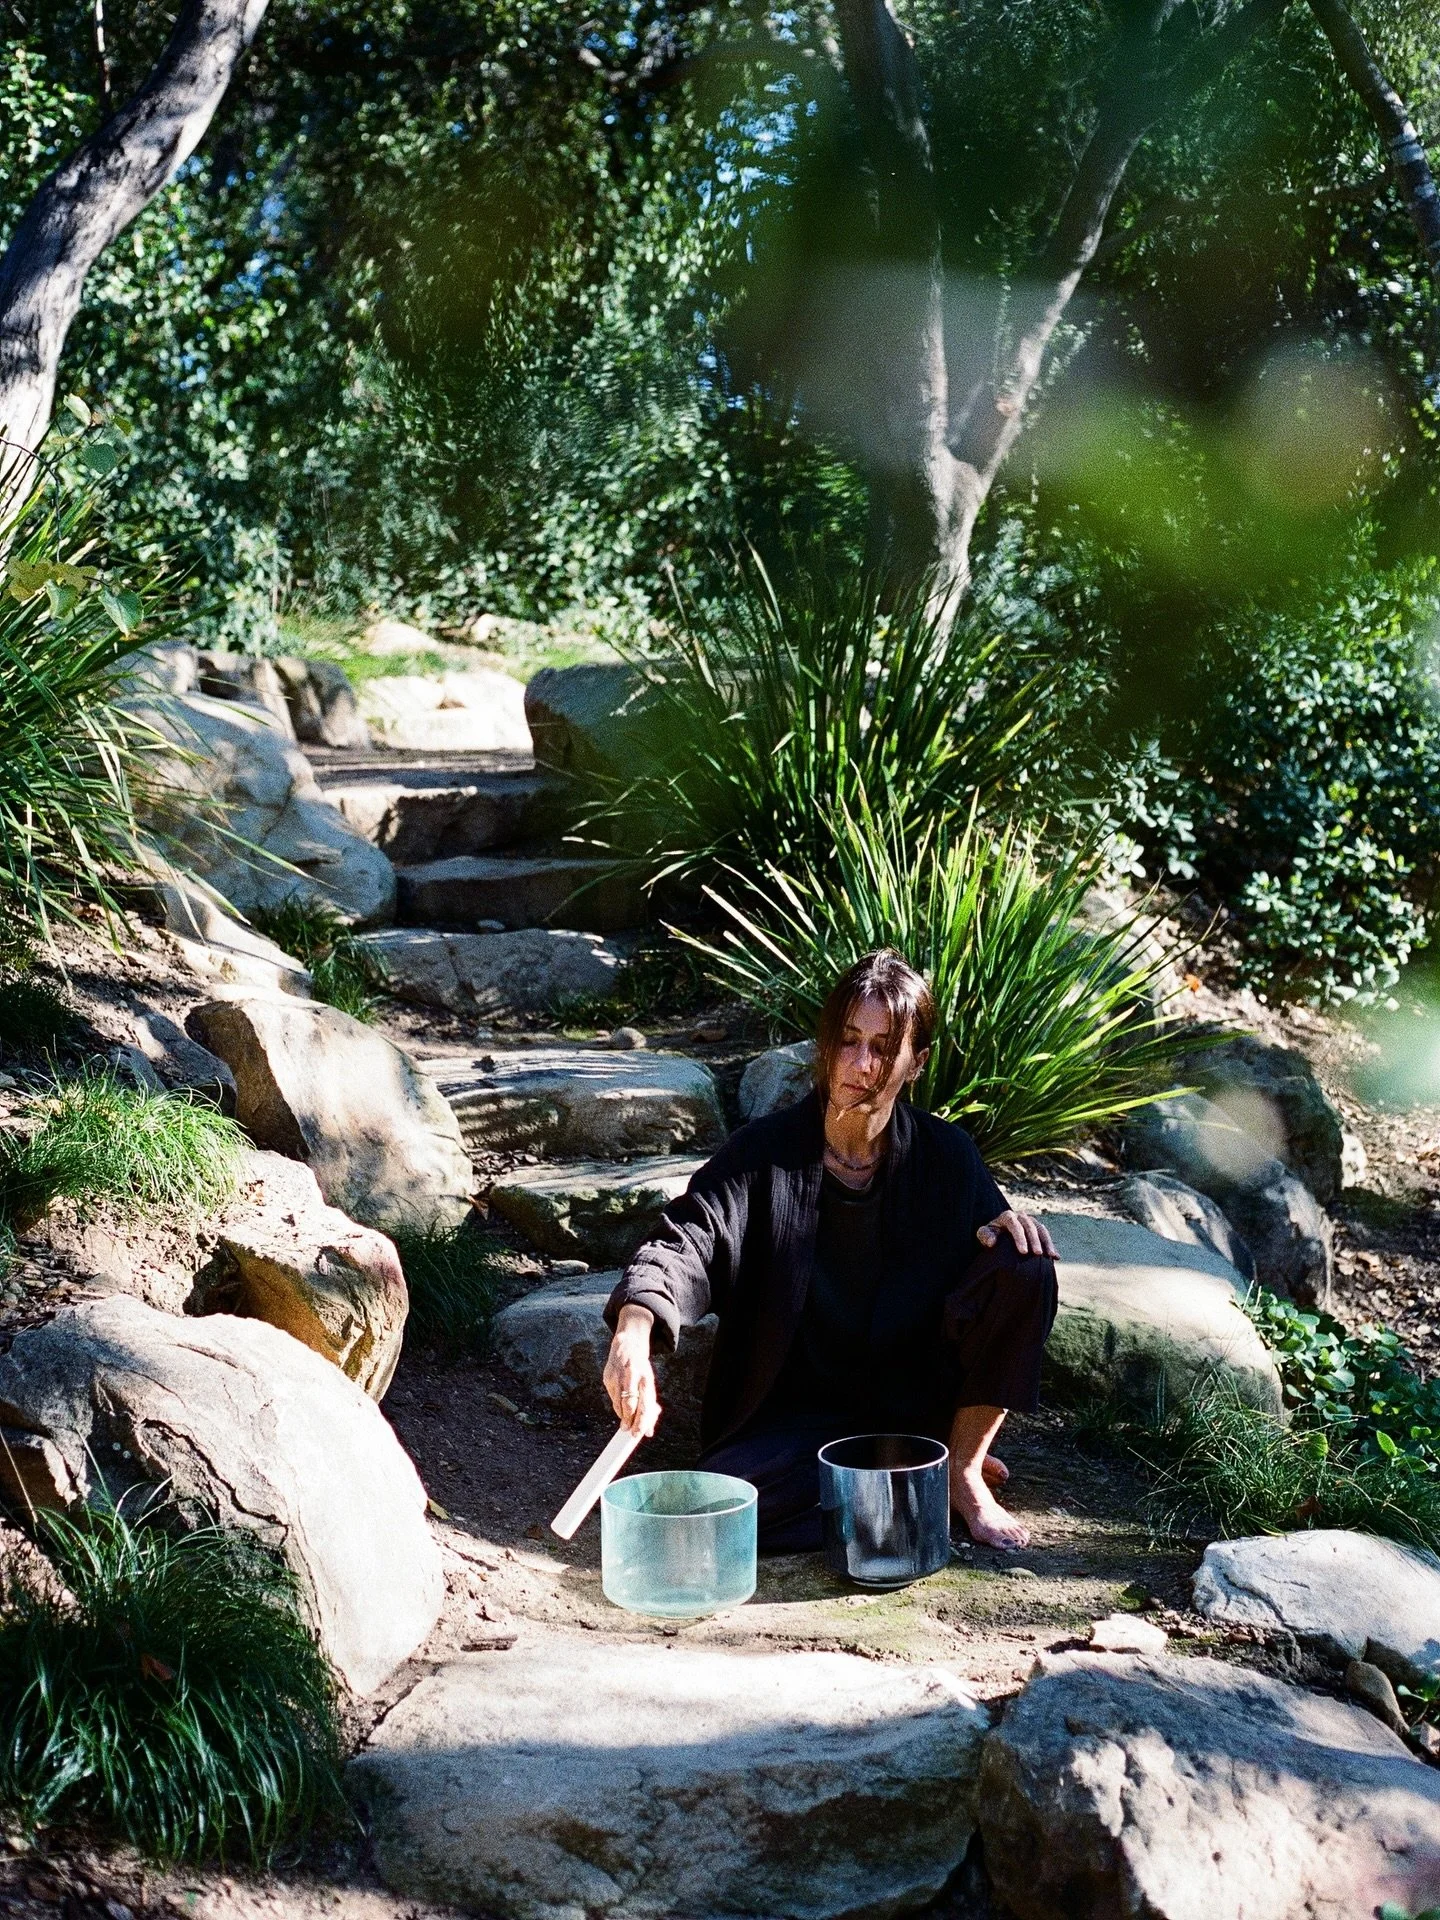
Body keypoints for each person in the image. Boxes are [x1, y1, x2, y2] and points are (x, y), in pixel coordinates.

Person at [600, 948, 1059, 1552]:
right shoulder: (762, 1154)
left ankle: (958, 1472)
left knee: (1027, 1266)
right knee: (715, 1516)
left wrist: (1013, 1233)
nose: (859, 1064)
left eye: (881, 1048)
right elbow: (683, 1242)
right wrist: (634, 1330)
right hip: (788, 1426)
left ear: (915, 1063)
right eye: (847, 1040)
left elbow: (994, 1269)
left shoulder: (946, 1159)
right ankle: (904, 1487)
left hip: (908, 1409)